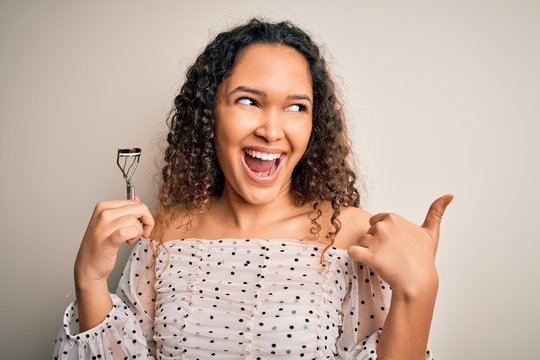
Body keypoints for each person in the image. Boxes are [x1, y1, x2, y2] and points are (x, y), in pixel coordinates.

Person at [53, 18, 452, 359]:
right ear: (210, 113)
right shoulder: (164, 233)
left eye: (296, 107)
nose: (272, 130)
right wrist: (88, 280)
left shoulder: (351, 234)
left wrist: (419, 290)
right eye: (248, 101)